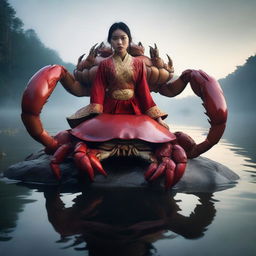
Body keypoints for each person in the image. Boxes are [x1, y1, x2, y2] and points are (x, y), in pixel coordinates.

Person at [67, 22, 168, 129]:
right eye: (115, 38)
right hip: (110, 108)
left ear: (129, 40)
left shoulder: (139, 64)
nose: (119, 42)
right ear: (110, 41)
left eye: (123, 38)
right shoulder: (104, 64)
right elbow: (98, 90)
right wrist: (95, 115)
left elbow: (143, 91)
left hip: (134, 108)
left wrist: (158, 118)